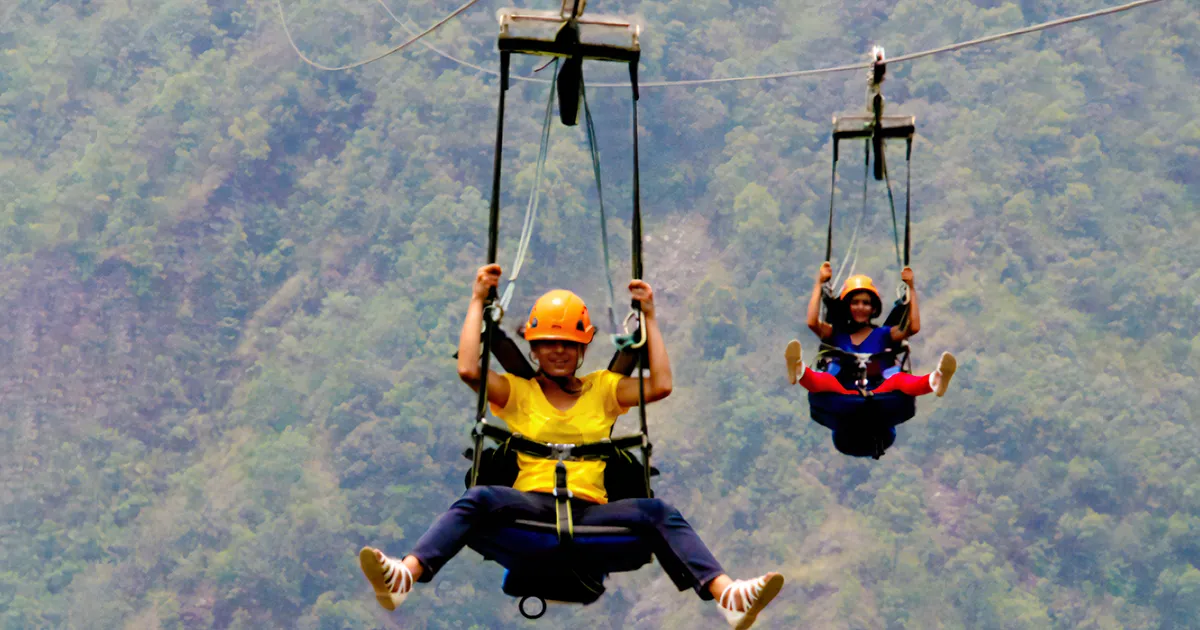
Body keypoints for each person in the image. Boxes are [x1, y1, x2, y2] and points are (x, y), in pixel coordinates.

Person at [359, 264, 785, 630]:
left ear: (582, 347)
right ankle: (404, 577)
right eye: (548, 343)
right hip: (531, 509)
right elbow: (469, 368)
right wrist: (476, 301)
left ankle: (727, 595)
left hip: (592, 511)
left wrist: (650, 317)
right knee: (477, 500)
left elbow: (661, 385)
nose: (558, 351)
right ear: (534, 347)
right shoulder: (517, 392)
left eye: (567, 343)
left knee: (659, 513)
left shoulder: (603, 389)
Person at [786, 262, 955, 397]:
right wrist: (819, 282)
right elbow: (812, 322)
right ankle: (798, 368)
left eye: (866, 303)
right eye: (855, 303)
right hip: (842, 392)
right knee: (825, 381)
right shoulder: (837, 334)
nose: (860, 307)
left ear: (873, 309)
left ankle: (937, 379)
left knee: (900, 380)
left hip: (878, 392)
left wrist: (911, 287)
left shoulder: (883, 334)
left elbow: (914, 328)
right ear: (847, 307)